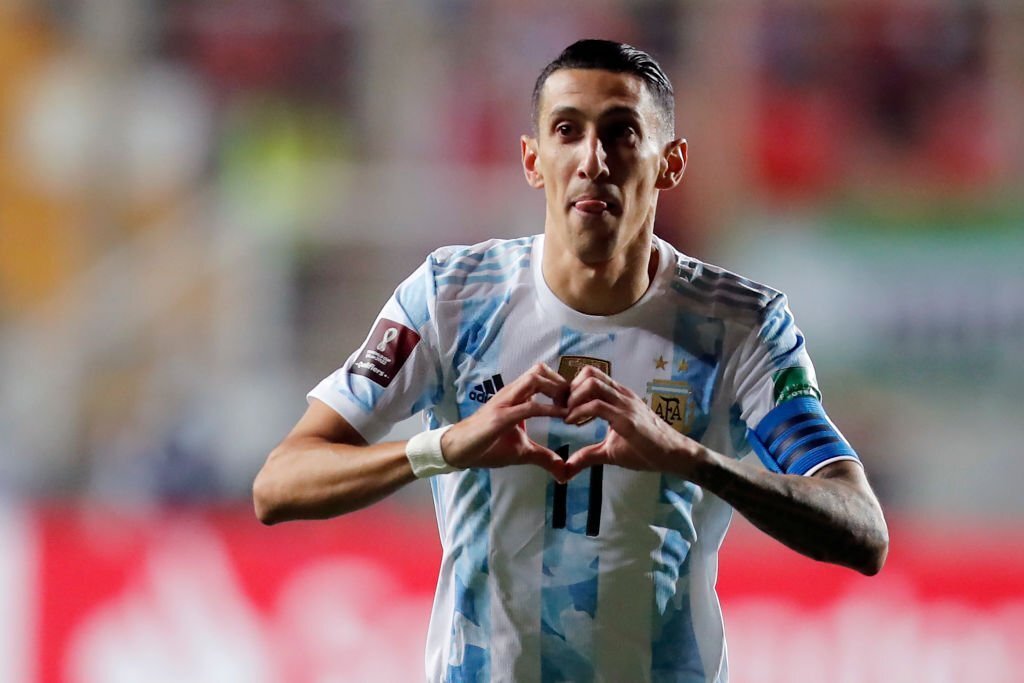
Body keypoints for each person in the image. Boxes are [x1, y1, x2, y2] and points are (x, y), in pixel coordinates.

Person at [253, 39, 889, 683]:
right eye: (567, 131)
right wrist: (443, 447)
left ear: (670, 164)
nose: (593, 160)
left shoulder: (739, 326)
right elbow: (279, 483)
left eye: (621, 133)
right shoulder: (451, 297)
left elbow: (862, 529)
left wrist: (691, 458)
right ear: (533, 160)